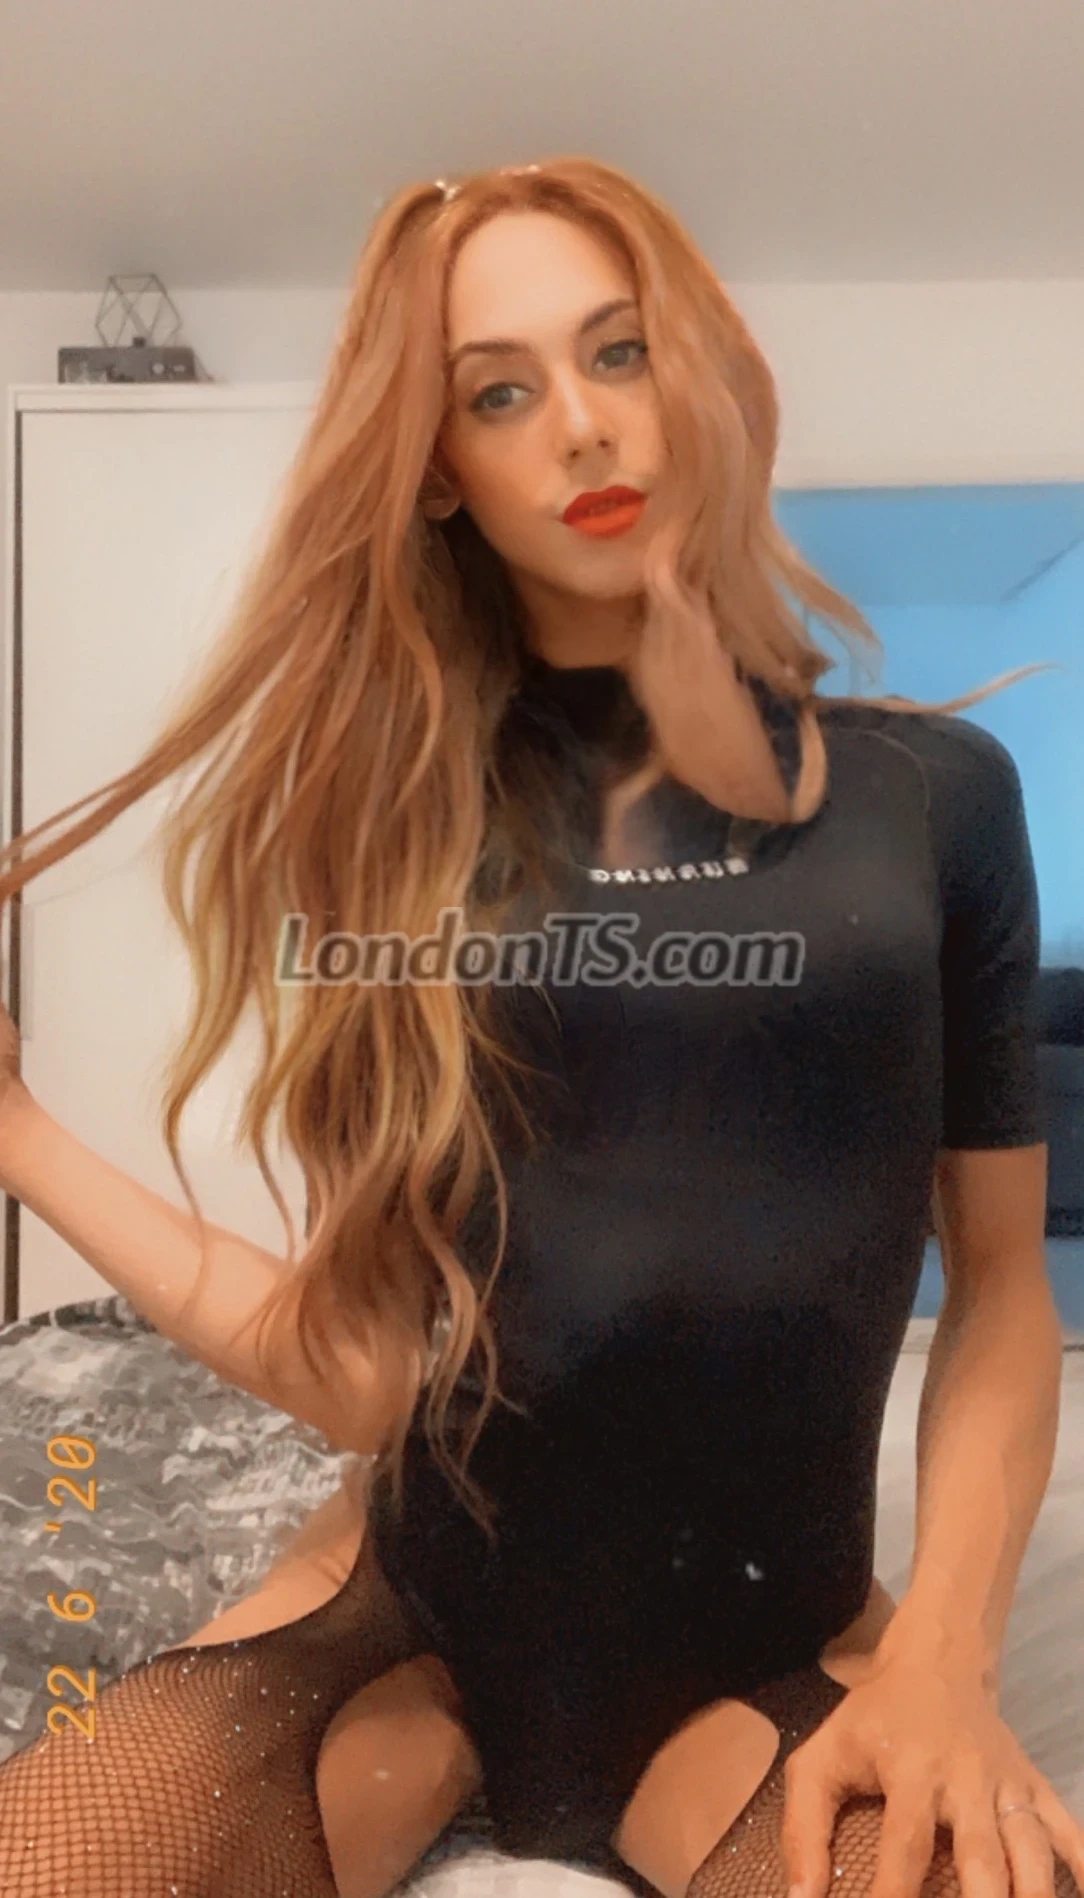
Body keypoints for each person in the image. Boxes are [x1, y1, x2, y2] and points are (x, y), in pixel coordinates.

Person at [0, 154, 1080, 1898]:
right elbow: (362, 1366)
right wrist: (18, 1135)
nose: (580, 424)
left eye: (618, 350)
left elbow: (1007, 1286)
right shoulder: (400, 829)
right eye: (499, 391)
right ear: (438, 464)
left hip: (764, 1649)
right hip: (409, 1622)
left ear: (700, 369)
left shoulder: (934, 799)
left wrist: (946, 1654)